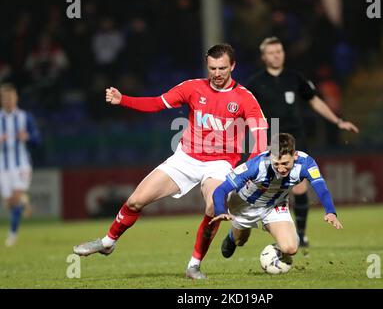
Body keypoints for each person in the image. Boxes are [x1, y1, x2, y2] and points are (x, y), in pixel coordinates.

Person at [73, 43, 268, 279]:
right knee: (135, 201)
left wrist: (253, 168)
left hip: (220, 164)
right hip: (185, 158)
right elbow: (157, 102)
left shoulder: (244, 98)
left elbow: (260, 136)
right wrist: (122, 99)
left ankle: (194, 266)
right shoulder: (192, 88)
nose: (217, 74)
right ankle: (107, 242)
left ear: (233, 66)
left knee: (212, 207)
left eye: (222, 68)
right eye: (213, 68)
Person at [245, 37, 357, 249]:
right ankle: (255, 226)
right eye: (271, 52)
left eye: (279, 51)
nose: (276, 55)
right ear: (263, 57)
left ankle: (301, 235)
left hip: (296, 138)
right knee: (264, 186)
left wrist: (338, 120)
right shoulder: (255, 82)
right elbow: (243, 110)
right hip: (270, 141)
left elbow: (314, 100)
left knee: (299, 187)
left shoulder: (294, 78)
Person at [210, 133, 343, 260]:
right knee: (240, 241)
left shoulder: (306, 164)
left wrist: (330, 212)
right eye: (276, 164)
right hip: (245, 204)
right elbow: (220, 190)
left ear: (295, 156)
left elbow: (320, 187)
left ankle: (272, 258)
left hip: (275, 204)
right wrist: (220, 211)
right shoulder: (256, 165)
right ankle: (232, 237)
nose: (281, 169)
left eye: (285, 163)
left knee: (291, 248)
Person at [0, 83, 41, 247]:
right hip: (3, 166)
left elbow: (38, 140)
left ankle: (12, 235)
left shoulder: (25, 117)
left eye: (11, 98)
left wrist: (28, 137)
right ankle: (24, 203)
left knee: (15, 198)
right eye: (5, 98)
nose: (9, 101)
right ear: (2, 100)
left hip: (21, 165)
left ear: (16, 98)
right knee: (10, 203)